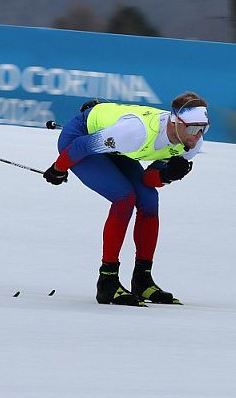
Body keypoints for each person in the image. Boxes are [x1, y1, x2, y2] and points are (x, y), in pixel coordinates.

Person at [42, 93, 209, 306]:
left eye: (204, 128)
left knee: (149, 200)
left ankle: (142, 280)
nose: (198, 135)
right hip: (80, 138)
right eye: (194, 128)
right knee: (124, 198)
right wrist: (58, 168)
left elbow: (148, 181)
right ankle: (107, 282)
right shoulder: (136, 132)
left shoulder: (192, 143)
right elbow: (78, 147)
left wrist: (165, 176)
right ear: (175, 121)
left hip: (118, 147)